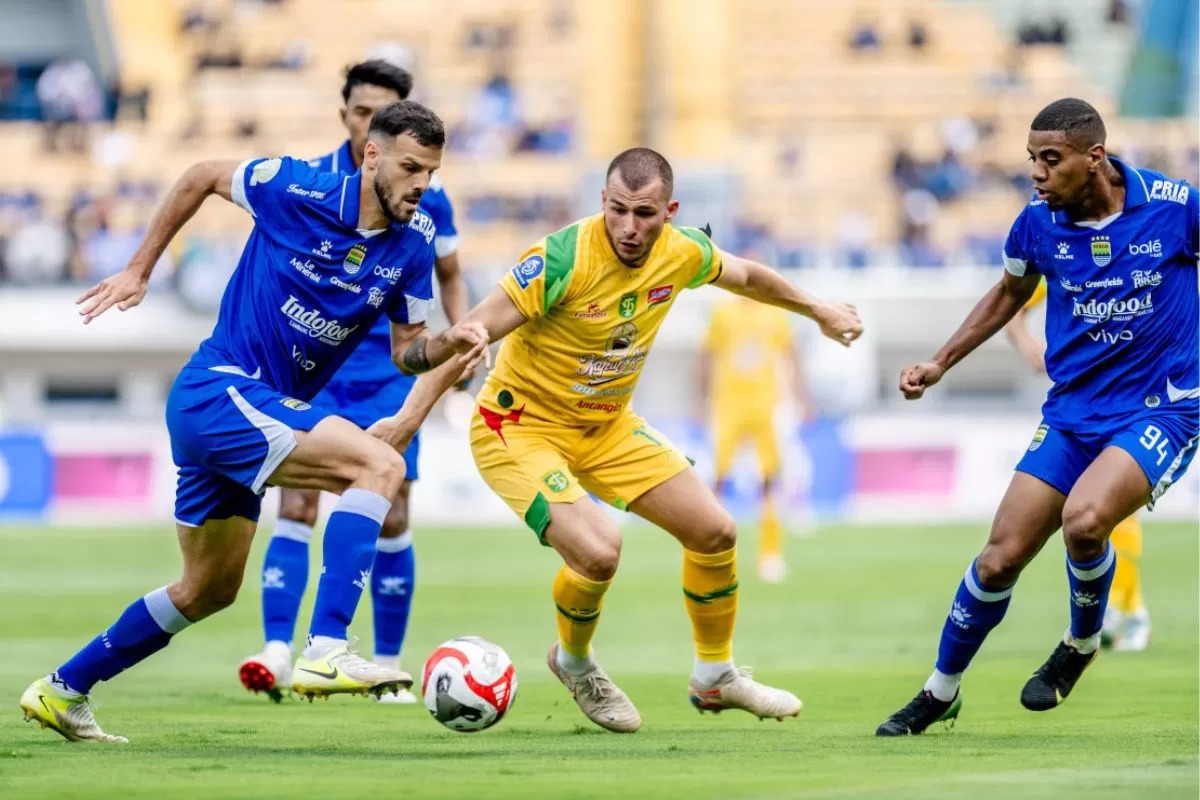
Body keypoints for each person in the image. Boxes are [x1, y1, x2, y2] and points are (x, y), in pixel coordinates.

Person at [19, 101, 488, 743]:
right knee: (379, 464)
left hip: (241, 415)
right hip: (220, 390)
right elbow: (202, 175)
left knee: (207, 589)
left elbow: (408, 348)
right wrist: (139, 269)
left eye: (431, 173)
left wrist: (449, 344)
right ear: (372, 155)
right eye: (411, 168)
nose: (421, 186)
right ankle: (326, 646)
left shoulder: (413, 246)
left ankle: (62, 689)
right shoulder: (296, 187)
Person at [401, 147, 862, 733]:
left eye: (644, 214)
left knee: (715, 531)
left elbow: (746, 275)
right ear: (603, 202)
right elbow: (469, 336)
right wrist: (407, 421)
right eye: (617, 209)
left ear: (668, 212)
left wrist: (817, 308)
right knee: (598, 550)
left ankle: (714, 677)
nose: (629, 227)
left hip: (607, 426)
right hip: (518, 427)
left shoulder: (681, 251)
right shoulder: (559, 260)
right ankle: (574, 661)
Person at [877, 98, 1197, 736]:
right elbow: (1009, 293)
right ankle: (940, 691)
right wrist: (942, 362)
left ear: (1094, 158)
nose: (1037, 174)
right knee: (999, 558)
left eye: (1050, 161)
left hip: (1161, 409)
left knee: (1084, 519)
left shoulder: (1175, 206)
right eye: (1032, 160)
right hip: (1073, 413)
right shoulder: (1035, 224)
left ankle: (1079, 645)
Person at [239, 60, 469, 705]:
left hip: (391, 371)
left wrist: (462, 335)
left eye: (385, 109)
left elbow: (450, 274)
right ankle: (278, 650)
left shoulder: (427, 195)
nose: (372, 120)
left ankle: (387, 663)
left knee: (392, 510)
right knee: (298, 502)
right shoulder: (312, 185)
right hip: (315, 369)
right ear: (347, 117)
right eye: (363, 110)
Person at [1005, 279, 1151, 652]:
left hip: (1136, 403)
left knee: (1116, 514)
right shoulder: (1062, 251)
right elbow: (1012, 307)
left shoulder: (1141, 245)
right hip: (1077, 407)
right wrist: (1028, 346)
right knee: (1082, 519)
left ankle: (1124, 611)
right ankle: (1119, 611)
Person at [697, 294, 813, 583]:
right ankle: (708, 552)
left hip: (765, 406)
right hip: (728, 406)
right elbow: (707, 355)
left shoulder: (775, 314)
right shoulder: (722, 312)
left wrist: (802, 396)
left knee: (769, 481)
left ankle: (770, 555)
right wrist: (700, 399)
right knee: (718, 480)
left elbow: (791, 354)